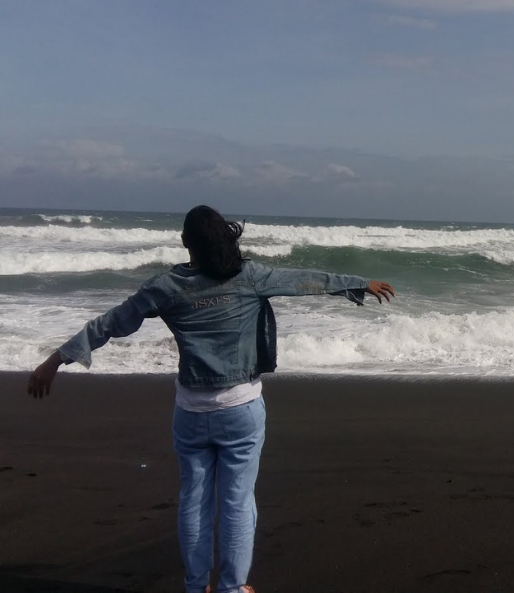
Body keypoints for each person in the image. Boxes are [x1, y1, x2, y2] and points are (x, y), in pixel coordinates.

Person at [27, 205, 396, 593]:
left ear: (186, 242)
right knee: (236, 503)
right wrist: (357, 282)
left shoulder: (165, 287)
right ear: (226, 237)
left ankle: (195, 585)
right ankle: (232, 588)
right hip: (241, 410)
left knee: (193, 500)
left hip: (190, 412)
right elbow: (304, 280)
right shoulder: (249, 276)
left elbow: (110, 323)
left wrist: (55, 360)